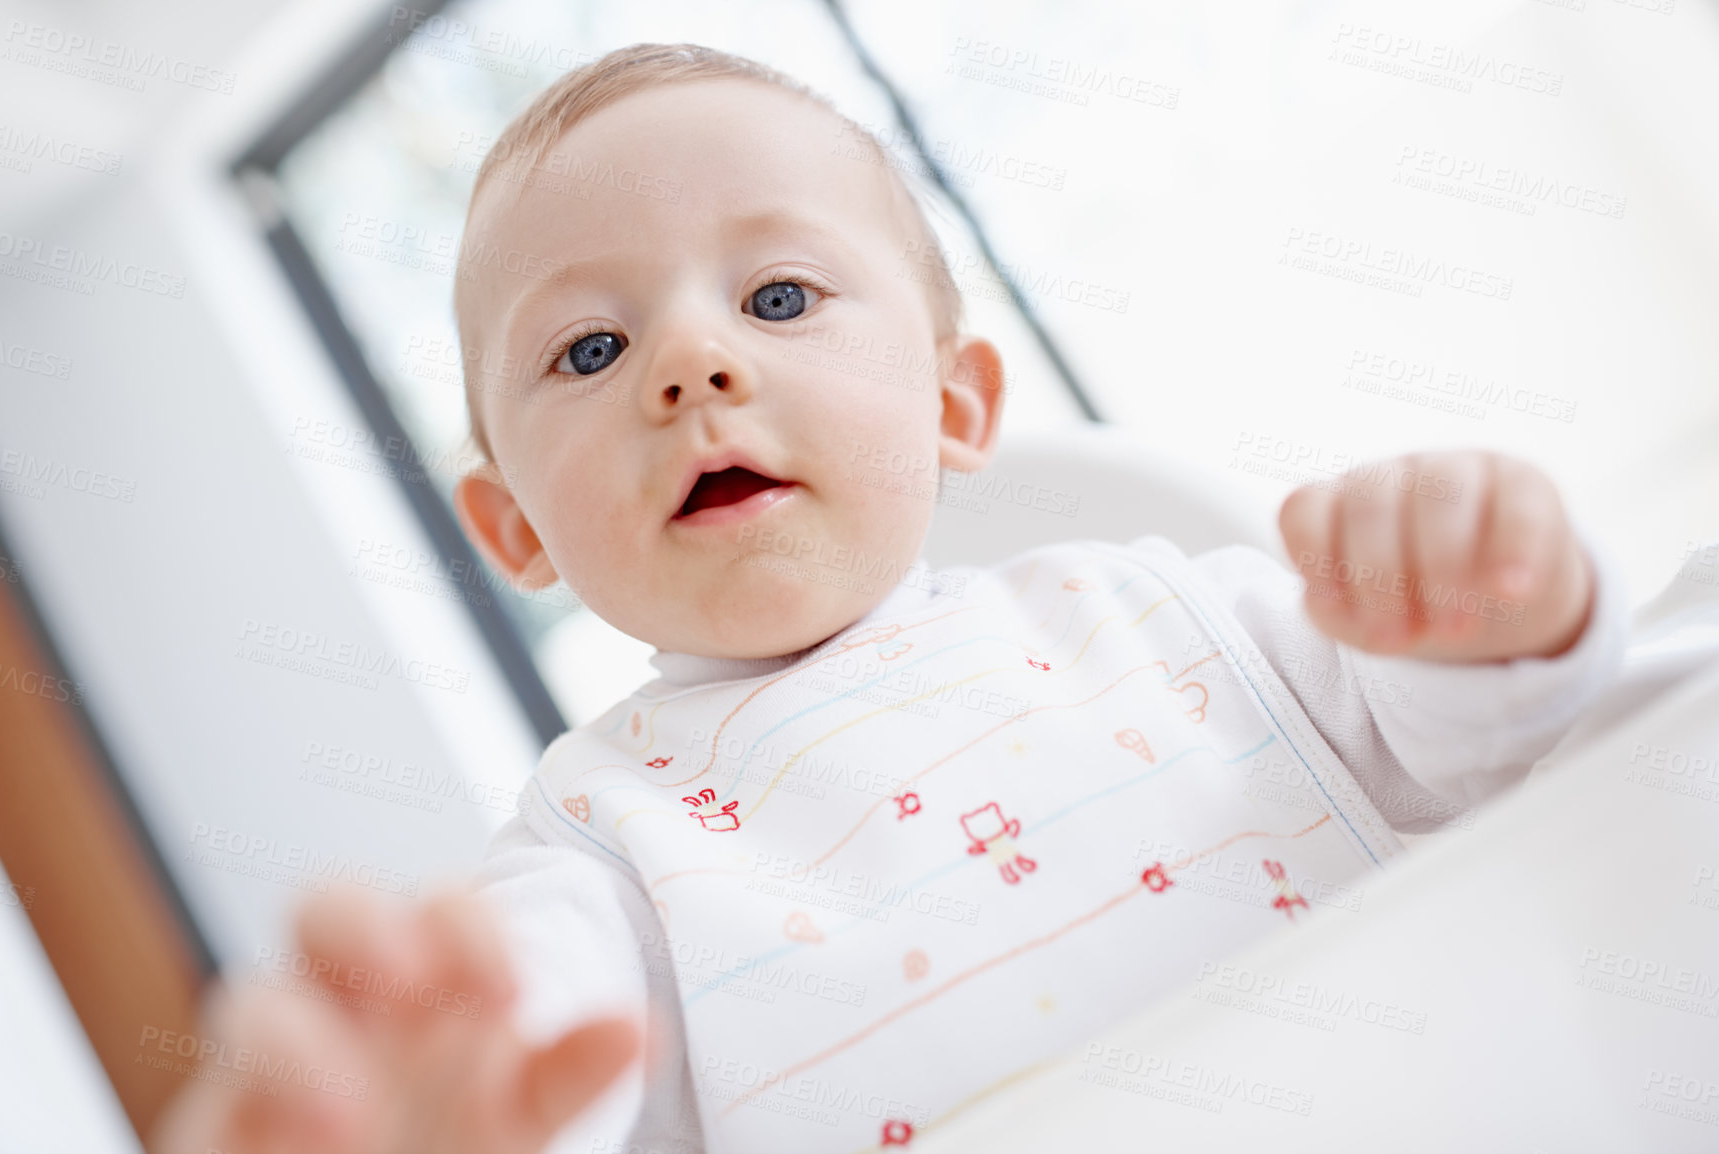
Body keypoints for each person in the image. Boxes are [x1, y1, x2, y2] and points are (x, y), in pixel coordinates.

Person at [156, 43, 1626, 1154]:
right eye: (591, 351)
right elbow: (548, 1030)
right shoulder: (598, 846)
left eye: (778, 298)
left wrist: (1498, 613)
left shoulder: (1160, 614)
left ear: (953, 402)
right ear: (510, 526)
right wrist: (444, 1086)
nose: (690, 364)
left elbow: (1508, 765)